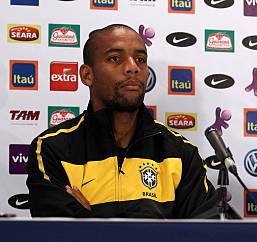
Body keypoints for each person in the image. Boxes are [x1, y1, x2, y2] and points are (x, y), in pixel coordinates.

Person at [27, 24, 219, 218]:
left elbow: (200, 239)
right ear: (87, 75)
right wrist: (157, 225)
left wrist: (87, 219)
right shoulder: (52, 148)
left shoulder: (181, 153)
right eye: (115, 58)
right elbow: (56, 238)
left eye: (140, 59)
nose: (132, 67)